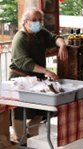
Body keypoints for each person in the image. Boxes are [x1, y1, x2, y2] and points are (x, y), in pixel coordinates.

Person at [9, 8, 68, 143]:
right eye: (34, 20)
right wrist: (47, 72)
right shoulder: (20, 38)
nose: (38, 23)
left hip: (36, 79)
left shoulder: (41, 33)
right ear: (25, 22)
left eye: (40, 20)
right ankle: (19, 140)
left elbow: (55, 38)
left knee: (40, 109)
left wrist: (63, 45)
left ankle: (32, 135)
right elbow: (25, 62)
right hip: (20, 79)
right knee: (20, 111)